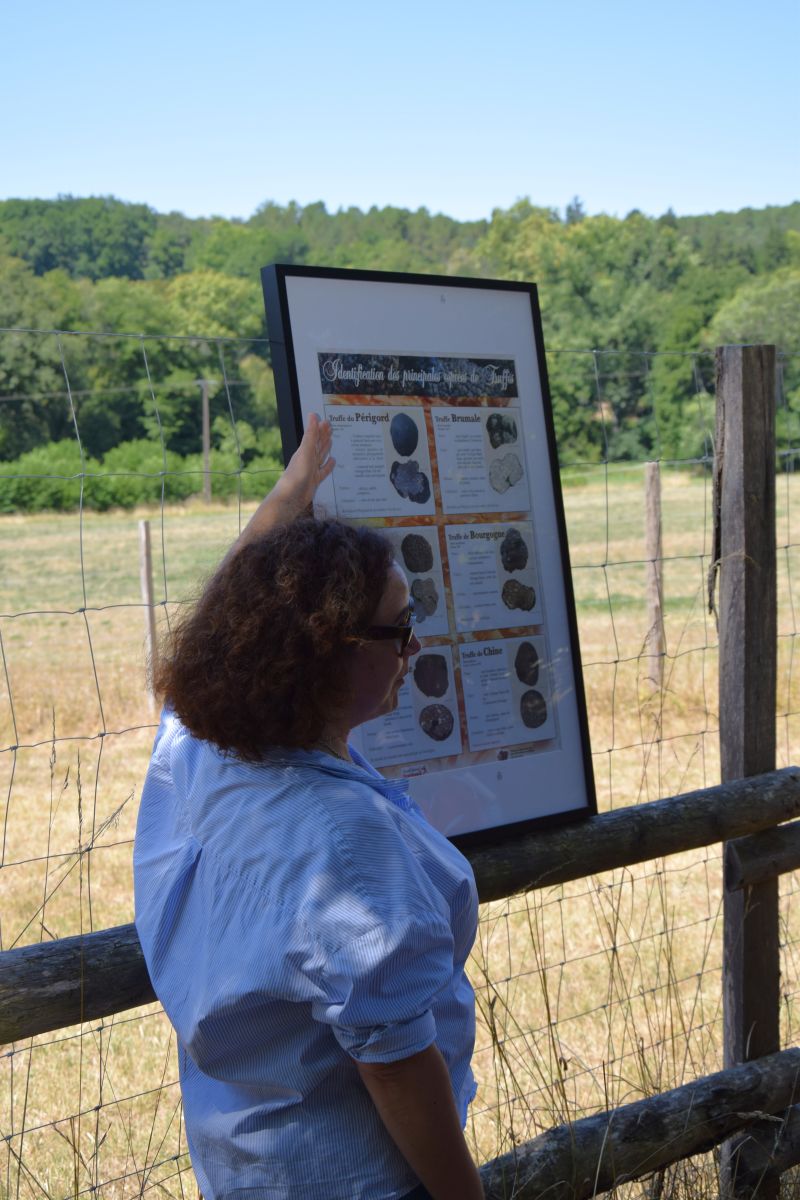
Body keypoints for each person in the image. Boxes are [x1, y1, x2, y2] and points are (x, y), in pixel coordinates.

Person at [133, 415, 484, 1200]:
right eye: (400, 629)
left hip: (247, 1166)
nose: (414, 649)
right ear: (328, 649)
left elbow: (229, 616)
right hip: (358, 1176)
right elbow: (396, 1068)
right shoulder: (344, 843)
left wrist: (287, 498)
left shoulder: (199, 750)